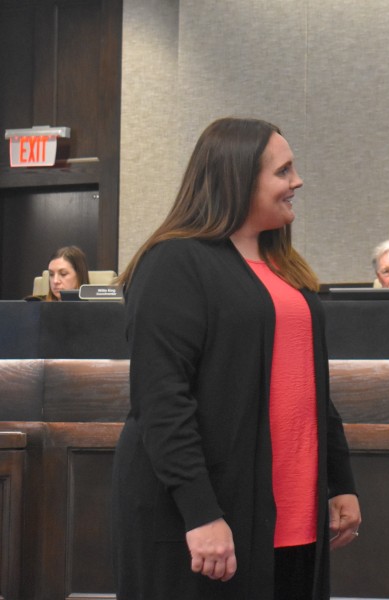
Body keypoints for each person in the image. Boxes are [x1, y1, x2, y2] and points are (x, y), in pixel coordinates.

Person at [111, 117, 361, 600]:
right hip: (205, 518)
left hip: (292, 515)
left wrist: (339, 482)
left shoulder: (284, 266)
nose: (297, 182)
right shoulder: (173, 262)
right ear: (239, 178)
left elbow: (311, 388)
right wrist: (201, 512)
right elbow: (162, 401)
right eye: (284, 172)